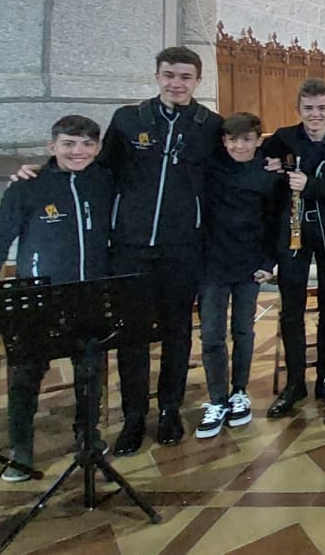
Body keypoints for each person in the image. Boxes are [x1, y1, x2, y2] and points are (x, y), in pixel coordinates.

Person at [0, 115, 112, 480]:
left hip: (90, 293)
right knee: (26, 374)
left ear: (97, 148)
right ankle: (20, 446)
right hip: (38, 295)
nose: (77, 151)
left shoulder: (106, 181)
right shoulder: (27, 186)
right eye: (68, 144)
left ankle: (87, 434)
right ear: (52, 147)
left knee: (90, 371)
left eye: (86, 144)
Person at [100, 46, 223, 455]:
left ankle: (169, 408)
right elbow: (99, 173)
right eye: (170, 75)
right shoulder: (128, 120)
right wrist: (44, 171)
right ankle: (134, 417)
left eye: (185, 77)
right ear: (156, 75)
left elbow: (230, 174)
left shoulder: (210, 126)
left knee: (177, 332)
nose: (177, 83)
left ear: (197, 81)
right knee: (131, 336)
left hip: (182, 246)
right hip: (131, 246)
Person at [261, 79, 325, 417]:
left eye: (321, 108)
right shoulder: (282, 139)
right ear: (299, 110)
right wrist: (274, 170)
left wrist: (311, 185)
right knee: (291, 310)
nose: (315, 115)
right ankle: (295, 382)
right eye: (308, 109)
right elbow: (265, 177)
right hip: (292, 235)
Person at [195, 112, 286, 439]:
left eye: (246, 139)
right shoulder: (211, 170)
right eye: (232, 139)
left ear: (258, 139)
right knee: (212, 334)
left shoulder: (268, 174)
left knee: (244, 330)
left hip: (250, 263)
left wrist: (269, 260)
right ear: (223, 141)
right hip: (213, 264)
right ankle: (217, 399)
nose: (239, 145)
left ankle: (239, 392)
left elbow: (276, 220)